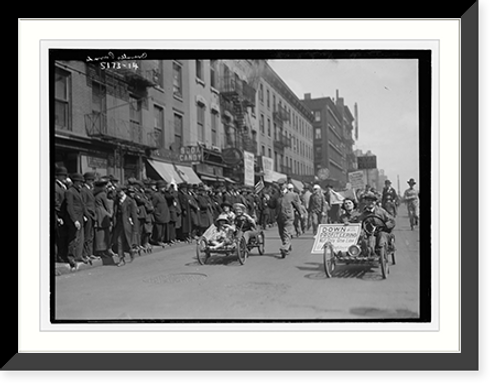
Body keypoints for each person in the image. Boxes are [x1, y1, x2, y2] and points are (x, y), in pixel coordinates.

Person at [268, 182, 303, 256]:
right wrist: (268, 201)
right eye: (280, 185)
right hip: (279, 217)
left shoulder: (292, 195)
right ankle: (287, 245)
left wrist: (301, 213)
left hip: (288, 217)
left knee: (286, 232)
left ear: (286, 185)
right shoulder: (276, 195)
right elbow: (273, 205)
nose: (281, 186)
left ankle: (285, 247)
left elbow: (297, 205)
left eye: (282, 185)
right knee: (281, 233)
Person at [61, 173, 87, 269]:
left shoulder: (77, 191)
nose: (81, 184)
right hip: (73, 219)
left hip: (80, 217)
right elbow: (70, 207)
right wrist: (75, 220)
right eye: (80, 182)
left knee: (80, 238)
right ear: (75, 182)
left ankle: (78, 256)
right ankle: (71, 257)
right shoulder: (70, 192)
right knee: (73, 238)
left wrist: (83, 215)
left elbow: (81, 205)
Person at [112, 186, 138, 266]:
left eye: (120, 192)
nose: (119, 194)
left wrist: (135, 227)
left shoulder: (130, 201)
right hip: (119, 224)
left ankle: (131, 251)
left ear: (123, 192)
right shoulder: (117, 201)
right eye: (118, 192)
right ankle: (121, 259)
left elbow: (134, 214)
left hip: (127, 224)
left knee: (128, 241)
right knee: (119, 241)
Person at [81, 172, 99, 264]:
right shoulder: (84, 190)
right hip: (88, 214)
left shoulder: (90, 190)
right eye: (91, 180)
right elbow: (83, 203)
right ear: (86, 180)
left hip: (92, 215)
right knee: (87, 235)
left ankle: (90, 253)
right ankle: (85, 254)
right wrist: (86, 214)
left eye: (93, 180)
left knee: (91, 235)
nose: (92, 182)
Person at [55, 166, 69, 263]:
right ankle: (59, 256)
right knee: (60, 238)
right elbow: (56, 202)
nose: (64, 177)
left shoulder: (63, 186)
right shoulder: (56, 187)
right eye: (62, 175)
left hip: (64, 214)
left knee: (64, 237)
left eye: (65, 175)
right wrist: (59, 216)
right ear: (58, 176)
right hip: (60, 214)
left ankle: (63, 255)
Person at [151, 180, 170, 247]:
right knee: (159, 230)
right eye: (163, 187)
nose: (164, 188)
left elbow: (170, 196)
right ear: (159, 188)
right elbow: (153, 205)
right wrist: (156, 213)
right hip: (159, 215)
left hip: (164, 215)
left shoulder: (164, 195)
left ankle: (161, 240)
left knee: (163, 230)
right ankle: (157, 240)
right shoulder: (156, 195)